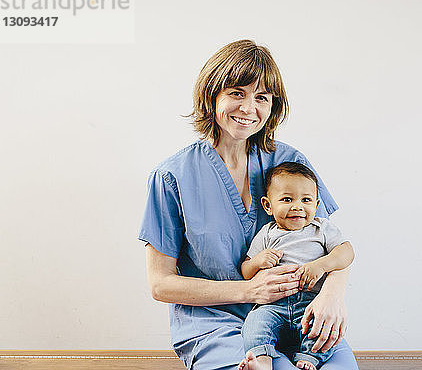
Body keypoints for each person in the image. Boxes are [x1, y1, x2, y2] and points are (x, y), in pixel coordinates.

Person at [138, 39, 358, 370]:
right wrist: (249, 291)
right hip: (215, 324)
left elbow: (332, 245)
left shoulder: (290, 162)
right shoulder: (172, 177)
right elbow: (160, 284)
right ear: (211, 95)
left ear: (273, 106)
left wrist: (332, 296)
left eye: (261, 97)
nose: (248, 108)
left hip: (299, 314)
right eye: (237, 93)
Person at [238, 162, 355, 370]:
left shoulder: (321, 229)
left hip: (311, 303)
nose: (297, 206)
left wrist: (321, 265)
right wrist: (257, 261)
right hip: (272, 305)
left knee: (323, 327)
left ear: (316, 204)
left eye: (306, 200)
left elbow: (346, 252)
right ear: (268, 205)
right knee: (255, 323)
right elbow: (246, 271)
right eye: (287, 199)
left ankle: (309, 359)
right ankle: (262, 361)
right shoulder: (267, 233)